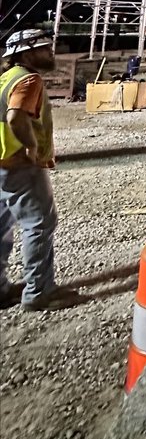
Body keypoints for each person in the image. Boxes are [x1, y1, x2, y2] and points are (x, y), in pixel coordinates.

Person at [0, 29, 85, 311]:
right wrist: (31, 145)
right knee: (39, 224)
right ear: (26, 55)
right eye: (44, 49)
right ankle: (39, 292)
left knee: (2, 226)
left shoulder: (5, 78)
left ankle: (1, 289)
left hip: (2, 164)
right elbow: (15, 116)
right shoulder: (28, 79)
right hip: (19, 165)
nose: (51, 52)